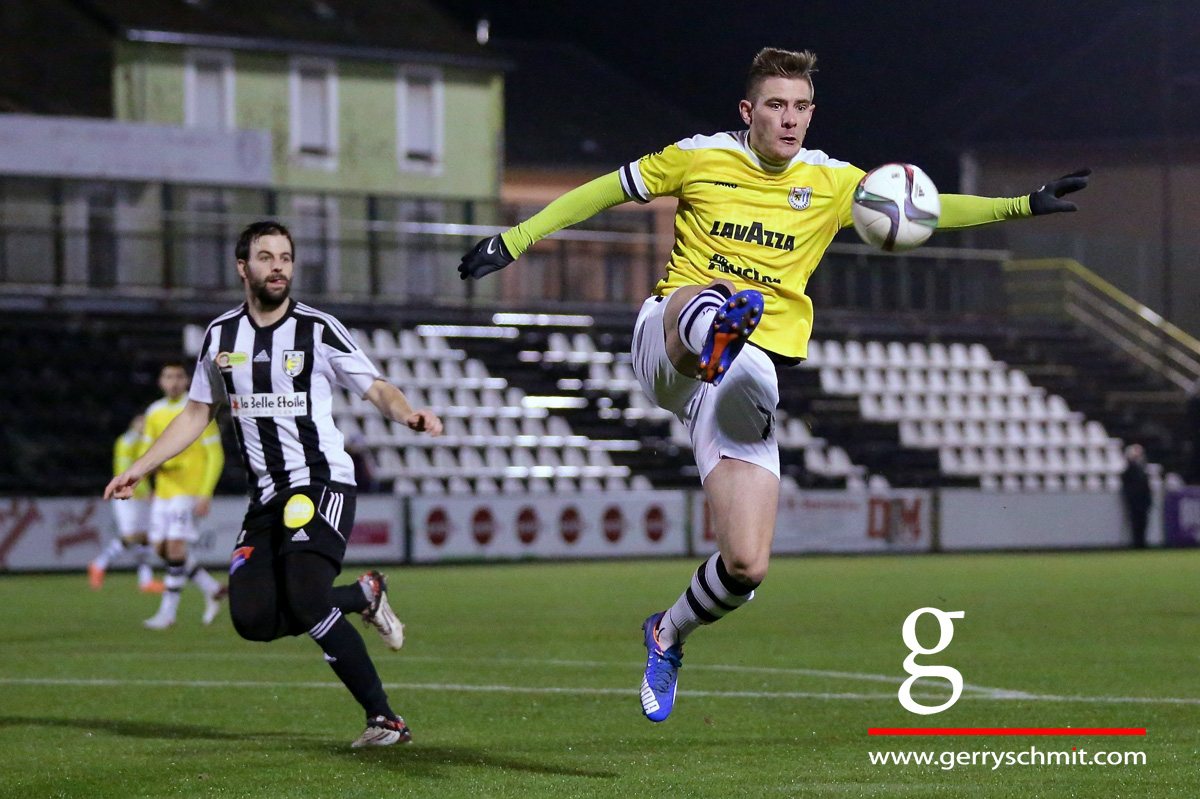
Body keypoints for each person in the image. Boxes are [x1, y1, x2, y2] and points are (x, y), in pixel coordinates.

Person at [458, 47, 1090, 722]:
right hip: (670, 342)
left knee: (747, 565)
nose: (789, 120)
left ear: (811, 113)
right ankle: (720, 327)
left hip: (742, 380)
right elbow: (607, 188)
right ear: (748, 111)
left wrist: (1021, 204)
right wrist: (515, 238)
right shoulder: (698, 157)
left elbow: (926, 207)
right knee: (705, 303)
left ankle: (667, 632)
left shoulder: (831, 182)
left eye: (801, 107)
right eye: (776, 105)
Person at [106, 220, 444, 748]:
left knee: (307, 598)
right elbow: (197, 414)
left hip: (321, 482)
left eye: (285, 256)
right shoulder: (221, 336)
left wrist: (408, 415)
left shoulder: (318, 328)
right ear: (244, 268)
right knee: (253, 618)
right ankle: (362, 594)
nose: (278, 265)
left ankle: (385, 720)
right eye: (266, 257)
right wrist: (140, 466)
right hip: (265, 496)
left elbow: (374, 387)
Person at [139, 363, 229, 629]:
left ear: (187, 380)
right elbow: (147, 450)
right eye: (168, 376)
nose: (174, 381)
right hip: (164, 491)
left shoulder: (198, 409)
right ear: (160, 382)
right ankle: (211, 588)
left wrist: (205, 492)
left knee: (176, 547)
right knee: (161, 549)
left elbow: (215, 454)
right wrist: (146, 484)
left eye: (179, 376)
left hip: (189, 490)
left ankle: (167, 614)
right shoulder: (154, 412)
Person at [89, 414, 164, 593]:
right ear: (134, 424)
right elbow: (124, 472)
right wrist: (144, 492)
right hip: (127, 498)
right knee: (130, 537)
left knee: (145, 537)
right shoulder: (126, 443)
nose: (144, 426)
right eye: (141, 423)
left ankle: (145, 580)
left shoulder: (144, 442)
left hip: (141, 497)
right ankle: (99, 564)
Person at [1121, 443, 1152, 549]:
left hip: (1143, 502)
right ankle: (1137, 544)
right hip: (1135, 503)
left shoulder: (1142, 471)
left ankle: (1142, 543)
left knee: (1143, 524)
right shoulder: (1128, 472)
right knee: (1136, 524)